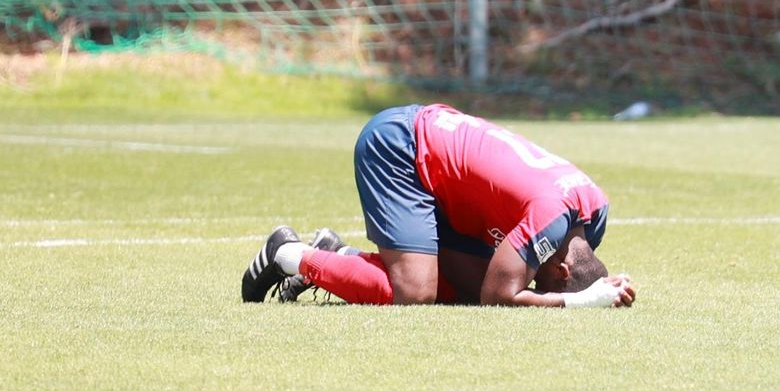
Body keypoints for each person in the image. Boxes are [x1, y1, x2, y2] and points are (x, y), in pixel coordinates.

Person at [240, 104, 635, 308]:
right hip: (403, 146)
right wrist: (582, 301)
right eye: (545, 285)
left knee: (463, 289)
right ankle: (287, 255)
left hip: (442, 164)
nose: (537, 286)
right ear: (562, 270)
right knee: (415, 292)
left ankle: (336, 257)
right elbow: (498, 296)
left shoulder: (591, 217)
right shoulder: (552, 220)